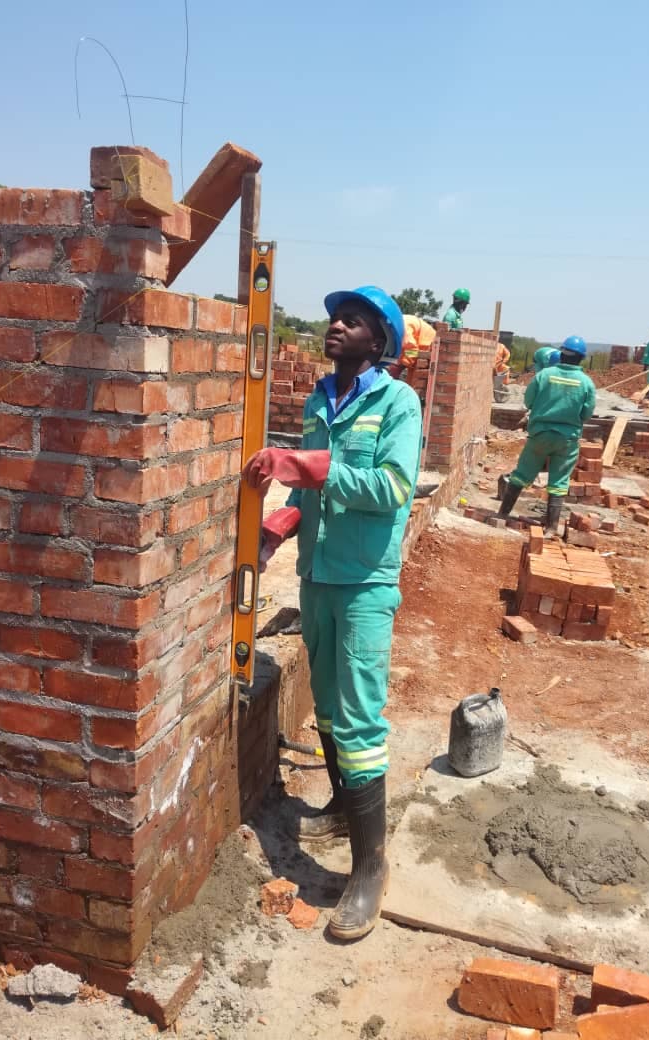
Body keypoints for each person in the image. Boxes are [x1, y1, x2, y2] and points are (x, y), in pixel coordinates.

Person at [243, 286, 422, 941]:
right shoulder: (322, 396)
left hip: (364, 582)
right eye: (334, 319)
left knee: (359, 714)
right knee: (325, 697)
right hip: (318, 577)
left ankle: (368, 870)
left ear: (380, 341)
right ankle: (346, 809)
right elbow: (307, 490)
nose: (337, 327)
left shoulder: (398, 403)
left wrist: (312, 467)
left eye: (354, 321)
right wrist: (278, 526)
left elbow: (392, 489)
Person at [498, 335, 596, 536]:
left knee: (522, 474)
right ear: (581, 358)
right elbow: (587, 413)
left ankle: (502, 514)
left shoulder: (545, 375)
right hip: (567, 439)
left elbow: (528, 401)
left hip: (540, 434)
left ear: (562, 354)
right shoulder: (586, 383)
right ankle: (551, 527)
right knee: (559, 482)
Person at [387, 314, 436, 382]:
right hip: (420, 349)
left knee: (415, 382)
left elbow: (412, 351)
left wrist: (399, 367)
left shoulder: (403, 327)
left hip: (427, 348)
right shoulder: (397, 323)